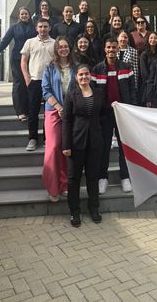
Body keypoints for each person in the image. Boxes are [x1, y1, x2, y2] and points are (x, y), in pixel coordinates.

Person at [91, 38, 137, 194]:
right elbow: (93, 93)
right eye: (109, 47)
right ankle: (102, 178)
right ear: (105, 49)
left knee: (124, 146)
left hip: (122, 113)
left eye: (114, 47)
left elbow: (132, 90)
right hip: (104, 114)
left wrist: (131, 109)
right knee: (103, 147)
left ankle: (125, 177)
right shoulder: (97, 69)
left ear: (118, 49)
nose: (111, 50)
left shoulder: (126, 67)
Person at [62, 64, 104, 226]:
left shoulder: (99, 93)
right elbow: (66, 121)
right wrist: (66, 145)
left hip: (95, 141)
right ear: (76, 77)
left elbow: (104, 115)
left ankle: (94, 208)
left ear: (90, 76)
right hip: (76, 141)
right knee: (74, 178)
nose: (84, 77)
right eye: (81, 75)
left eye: (86, 74)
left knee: (93, 177)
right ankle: (74, 211)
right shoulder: (71, 95)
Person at [0, 6, 36, 122]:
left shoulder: (34, 28)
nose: (24, 15)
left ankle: (29, 110)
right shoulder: (14, 28)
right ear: (19, 16)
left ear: (29, 15)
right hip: (17, 59)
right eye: (22, 14)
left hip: (31, 59)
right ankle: (20, 111)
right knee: (19, 84)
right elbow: (5, 41)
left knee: (30, 83)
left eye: (26, 14)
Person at [41, 37, 74, 202]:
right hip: (54, 111)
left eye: (66, 46)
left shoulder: (76, 66)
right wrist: (59, 108)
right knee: (53, 147)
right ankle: (52, 187)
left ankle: (64, 184)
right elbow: (45, 90)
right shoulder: (49, 67)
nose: (63, 49)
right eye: (60, 47)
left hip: (72, 112)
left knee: (66, 148)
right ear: (56, 49)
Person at [21, 19, 55, 151]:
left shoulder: (55, 43)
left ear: (49, 28)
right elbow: (24, 61)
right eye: (40, 26)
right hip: (34, 81)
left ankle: (47, 138)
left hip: (50, 82)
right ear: (36, 28)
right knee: (33, 111)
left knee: (49, 112)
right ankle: (33, 138)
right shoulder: (30, 42)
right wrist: (26, 77)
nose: (43, 29)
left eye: (45, 26)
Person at [139, 32, 157, 105]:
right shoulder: (144, 54)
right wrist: (150, 83)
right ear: (148, 39)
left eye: (155, 38)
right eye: (151, 38)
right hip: (148, 85)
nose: (153, 40)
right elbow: (144, 72)